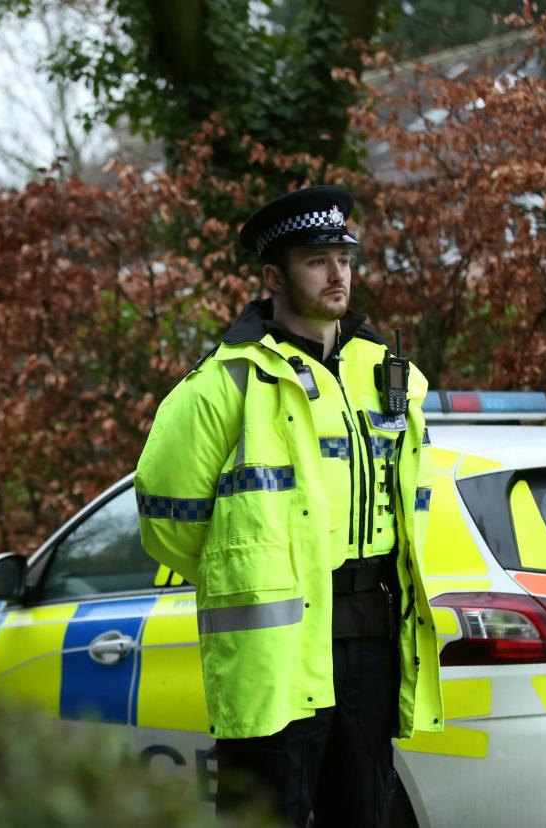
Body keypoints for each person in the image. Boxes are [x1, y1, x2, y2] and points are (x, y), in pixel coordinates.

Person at [134, 185, 443, 827]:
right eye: (317, 260)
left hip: (370, 639)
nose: (338, 275)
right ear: (274, 276)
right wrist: (259, 572)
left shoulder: (389, 374)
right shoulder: (223, 384)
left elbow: (414, 495)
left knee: (364, 814)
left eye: (345, 258)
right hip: (274, 646)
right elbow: (168, 522)